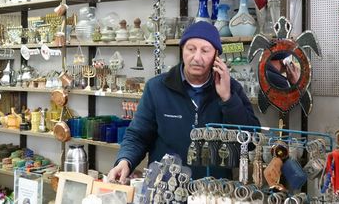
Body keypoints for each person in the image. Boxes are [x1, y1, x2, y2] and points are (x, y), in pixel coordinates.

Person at [108, 21, 260, 183]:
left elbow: (251, 141)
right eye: (191, 49)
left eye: (205, 51)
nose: (197, 57)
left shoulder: (231, 88)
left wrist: (228, 99)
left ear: (216, 55)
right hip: (165, 189)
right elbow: (138, 135)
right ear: (182, 50)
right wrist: (125, 160)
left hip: (213, 192)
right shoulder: (157, 87)